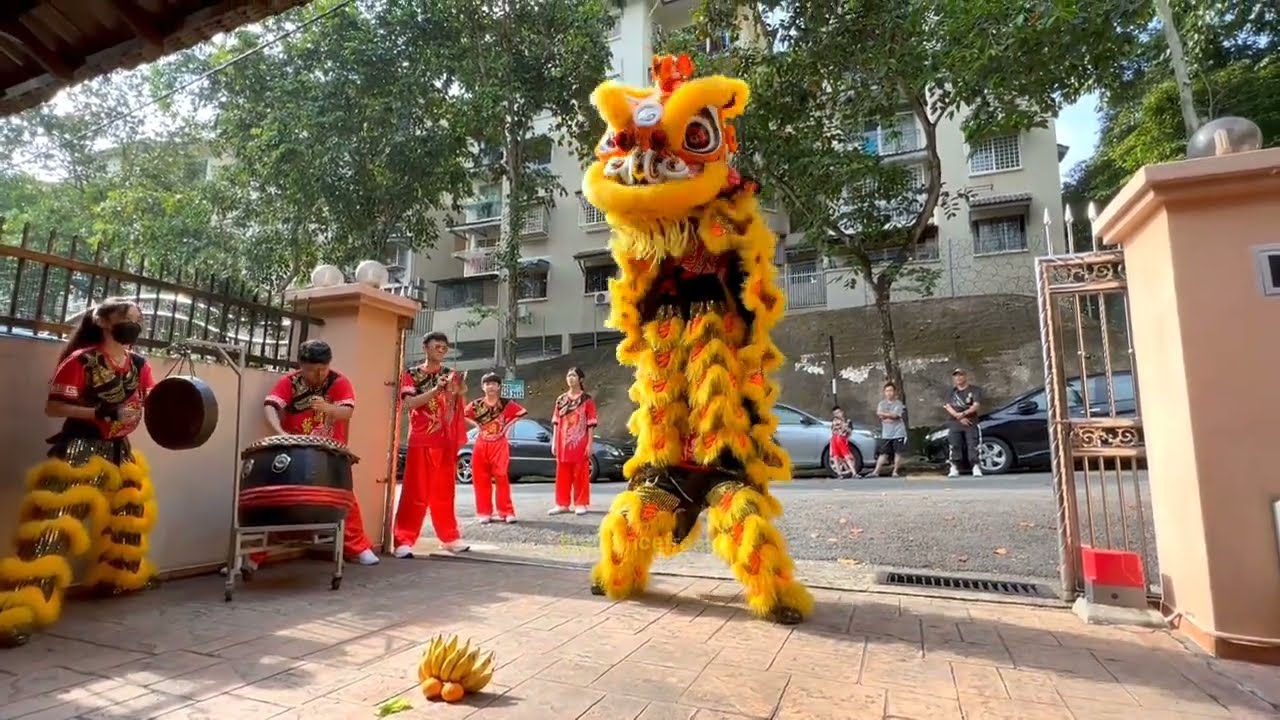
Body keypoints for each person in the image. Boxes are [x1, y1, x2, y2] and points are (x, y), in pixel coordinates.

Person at [0, 299, 160, 647]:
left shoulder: (140, 365)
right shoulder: (82, 360)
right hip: (80, 448)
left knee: (129, 513)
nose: (136, 324)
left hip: (121, 449)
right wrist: (99, 412)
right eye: (129, 318)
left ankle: (119, 578)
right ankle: (16, 610)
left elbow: (154, 403)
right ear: (104, 322)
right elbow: (54, 406)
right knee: (53, 525)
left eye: (139, 319)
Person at [251, 340, 379, 569]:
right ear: (301, 365)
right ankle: (255, 555)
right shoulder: (290, 382)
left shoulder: (338, 382)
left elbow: (346, 412)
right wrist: (280, 434)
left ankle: (358, 547)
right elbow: (270, 405)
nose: (318, 375)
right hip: (297, 452)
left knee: (345, 500)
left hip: (330, 452)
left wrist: (329, 409)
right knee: (277, 503)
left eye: (323, 369)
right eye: (312, 370)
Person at [393, 332, 470, 557]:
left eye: (444, 348)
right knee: (415, 492)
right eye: (436, 346)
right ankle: (404, 539)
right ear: (425, 347)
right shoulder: (412, 375)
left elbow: (457, 404)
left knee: (445, 492)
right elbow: (409, 404)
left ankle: (449, 537)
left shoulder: (451, 374)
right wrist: (436, 390)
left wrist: (458, 389)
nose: (441, 350)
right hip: (422, 439)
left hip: (445, 441)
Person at [464, 373, 526, 524]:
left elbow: (521, 413)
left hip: (499, 443)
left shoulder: (505, 403)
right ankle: (484, 512)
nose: (490, 386)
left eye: (493, 384)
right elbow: (464, 414)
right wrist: (477, 425)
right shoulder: (477, 405)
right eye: (487, 384)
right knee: (481, 478)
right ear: (482, 387)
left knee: (501, 476)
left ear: (499, 387)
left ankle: (506, 511)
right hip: (481, 444)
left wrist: (507, 427)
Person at [549, 367, 597, 516]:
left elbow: (591, 423)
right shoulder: (561, 400)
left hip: (580, 443)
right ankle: (562, 504)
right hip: (562, 443)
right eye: (568, 375)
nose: (570, 378)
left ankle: (581, 503)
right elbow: (556, 422)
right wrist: (554, 442)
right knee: (562, 474)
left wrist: (589, 443)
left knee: (581, 474)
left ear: (580, 379)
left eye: (574, 376)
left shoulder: (587, 400)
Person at [943, 368, 984, 477]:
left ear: (965, 376)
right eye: (956, 376)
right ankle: (954, 467)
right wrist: (959, 417)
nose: (958, 378)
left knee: (973, 444)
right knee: (954, 445)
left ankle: (975, 466)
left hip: (971, 422)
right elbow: (948, 406)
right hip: (955, 422)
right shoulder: (951, 392)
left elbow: (976, 405)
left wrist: (964, 414)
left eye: (961, 375)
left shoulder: (975, 390)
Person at [870, 381, 908, 478]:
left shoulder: (898, 404)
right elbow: (879, 414)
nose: (889, 393)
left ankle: (895, 471)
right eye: (887, 391)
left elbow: (895, 415)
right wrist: (889, 415)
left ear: (895, 392)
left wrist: (885, 415)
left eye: (891, 390)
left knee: (898, 453)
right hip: (886, 433)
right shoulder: (881, 404)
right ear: (884, 392)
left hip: (898, 432)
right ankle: (876, 472)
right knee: (883, 453)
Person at [828, 407, 856, 478]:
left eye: (838, 412)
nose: (837, 414)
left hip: (842, 439)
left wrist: (847, 428)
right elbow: (835, 429)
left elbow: (849, 430)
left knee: (846, 455)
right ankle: (839, 473)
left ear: (842, 412)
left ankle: (854, 472)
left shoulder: (847, 421)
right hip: (836, 438)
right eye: (835, 413)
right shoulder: (836, 421)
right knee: (836, 456)